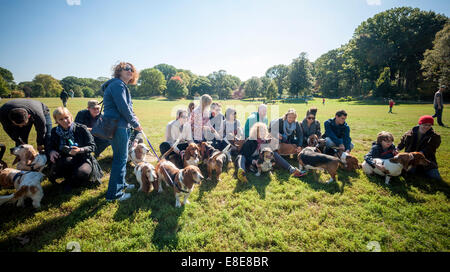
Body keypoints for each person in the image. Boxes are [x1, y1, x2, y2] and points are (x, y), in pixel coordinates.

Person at [103, 62, 143, 202]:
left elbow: (126, 108)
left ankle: (121, 184)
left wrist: (133, 117)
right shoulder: (117, 85)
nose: (130, 71)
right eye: (126, 69)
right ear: (119, 71)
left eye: (132, 69)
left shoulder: (120, 85)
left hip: (119, 125)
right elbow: (123, 107)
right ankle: (114, 194)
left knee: (122, 157)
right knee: (120, 159)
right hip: (117, 126)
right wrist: (135, 123)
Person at [47, 107, 103, 191]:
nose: (65, 121)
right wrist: (52, 151)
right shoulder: (55, 131)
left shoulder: (81, 128)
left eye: (66, 117)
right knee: (64, 164)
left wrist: (79, 150)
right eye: (61, 119)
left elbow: (92, 146)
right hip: (65, 158)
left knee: (82, 172)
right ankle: (70, 179)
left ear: (71, 117)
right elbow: (50, 145)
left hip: (83, 158)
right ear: (56, 121)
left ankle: (71, 181)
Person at [236, 122, 305, 183]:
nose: (262, 133)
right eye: (260, 131)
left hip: (260, 162)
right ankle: (242, 173)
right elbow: (244, 154)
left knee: (274, 154)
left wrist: (271, 159)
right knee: (241, 157)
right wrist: (253, 161)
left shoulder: (265, 141)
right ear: (256, 132)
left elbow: (268, 154)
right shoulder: (250, 141)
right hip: (249, 160)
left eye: (264, 131)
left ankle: (292, 169)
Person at [397, 115, 442, 181]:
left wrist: (420, 153)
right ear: (420, 124)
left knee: (436, 177)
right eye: (425, 124)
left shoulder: (435, 136)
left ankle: (422, 170)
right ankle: (413, 169)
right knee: (407, 174)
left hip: (426, 158)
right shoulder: (410, 133)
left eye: (429, 125)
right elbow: (402, 143)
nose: (427, 127)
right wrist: (397, 149)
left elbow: (431, 149)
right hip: (411, 159)